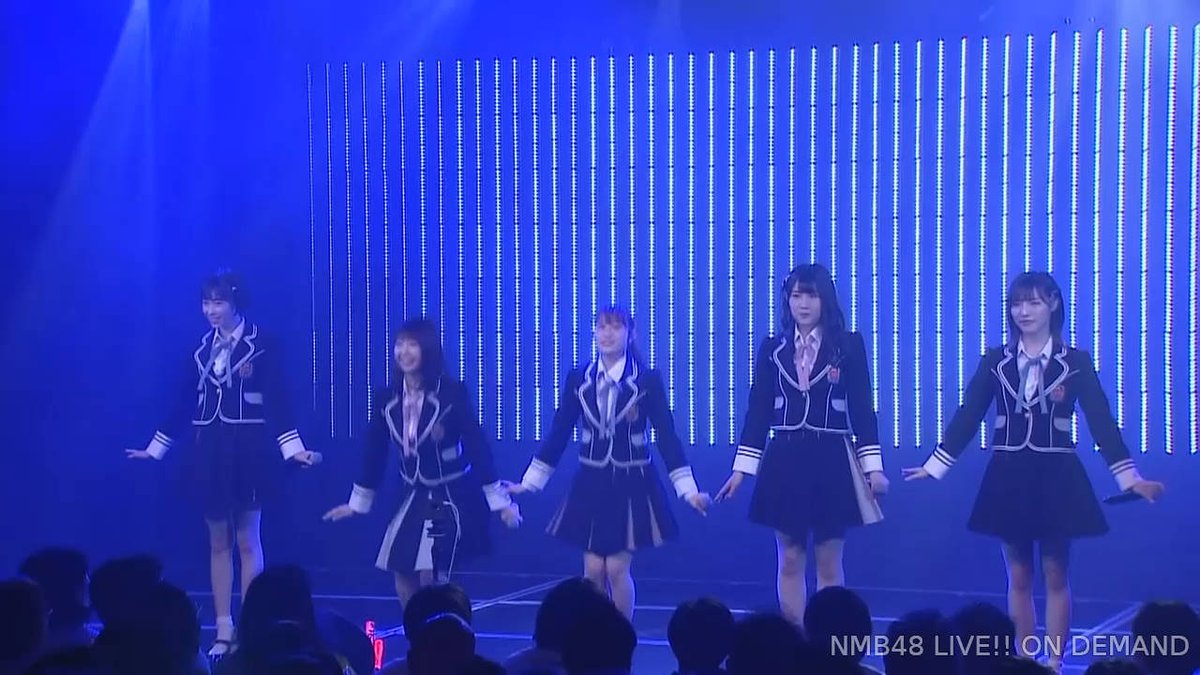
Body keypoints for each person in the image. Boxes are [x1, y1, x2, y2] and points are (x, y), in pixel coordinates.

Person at [904, 271, 1165, 672]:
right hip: (1008, 476)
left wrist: (1130, 478)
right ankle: (1025, 660)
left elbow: (1102, 423)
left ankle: (1055, 662)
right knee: (1019, 575)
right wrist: (935, 464)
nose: (1023, 312)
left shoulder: (1075, 362)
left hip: (1057, 477)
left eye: (1033, 303)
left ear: (1053, 304)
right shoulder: (996, 361)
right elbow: (969, 414)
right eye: (1016, 304)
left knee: (1056, 573)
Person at [126, 269, 318, 655]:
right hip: (209, 452)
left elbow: (278, 399)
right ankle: (223, 627)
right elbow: (183, 402)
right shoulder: (199, 349)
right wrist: (155, 448)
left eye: (218, 303)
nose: (212, 311)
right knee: (218, 542)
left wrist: (293, 448)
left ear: (235, 302)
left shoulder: (263, 344)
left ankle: (250, 626)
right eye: (206, 303)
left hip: (249, 451)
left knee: (248, 539)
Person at [506, 305, 711, 619]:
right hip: (591, 482)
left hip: (632, 482)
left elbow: (667, 437)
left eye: (616, 327)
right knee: (592, 570)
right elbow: (559, 431)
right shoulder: (579, 378)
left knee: (615, 568)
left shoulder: (646, 380)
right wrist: (529, 483)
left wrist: (689, 491)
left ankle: (620, 636)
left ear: (630, 334)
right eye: (602, 327)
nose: (607, 334)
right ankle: (595, 635)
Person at [715, 263, 887, 624]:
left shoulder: (848, 346)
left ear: (825, 299)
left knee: (828, 560)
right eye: (796, 296)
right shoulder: (773, 348)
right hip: (785, 458)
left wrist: (873, 469)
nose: (803, 304)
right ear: (787, 301)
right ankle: (793, 639)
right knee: (790, 558)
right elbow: (758, 410)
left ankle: (827, 640)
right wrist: (741, 471)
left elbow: (862, 408)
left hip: (832, 458)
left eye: (811, 295)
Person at [324, 318, 520, 605]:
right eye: (399, 344)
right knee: (402, 574)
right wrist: (357, 503)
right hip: (410, 495)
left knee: (432, 574)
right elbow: (374, 450)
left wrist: (501, 503)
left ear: (427, 349)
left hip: (448, 495)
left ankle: (444, 630)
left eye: (412, 344)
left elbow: (477, 446)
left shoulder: (452, 393)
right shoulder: (386, 397)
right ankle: (416, 630)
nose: (404, 352)